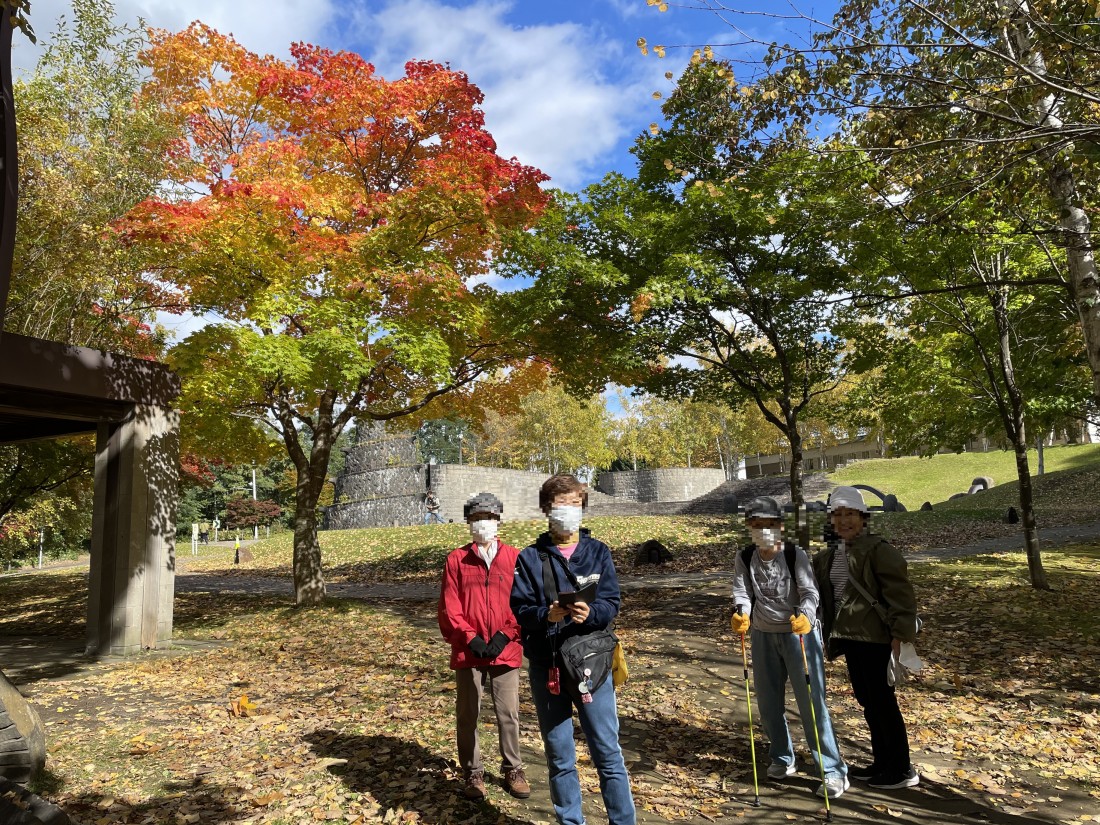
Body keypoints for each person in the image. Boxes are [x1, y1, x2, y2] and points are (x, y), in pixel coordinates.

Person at [511, 474, 635, 825]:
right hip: (547, 663)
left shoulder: (597, 552)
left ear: (583, 507)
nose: (566, 512)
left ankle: (622, 820)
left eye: (573, 504)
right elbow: (519, 609)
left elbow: (612, 602)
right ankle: (570, 820)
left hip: (592, 663)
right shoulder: (530, 558)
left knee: (607, 751)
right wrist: (544, 614)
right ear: (545, 510)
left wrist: (591, 612)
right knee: (559, 754)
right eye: (558, 505)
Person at [731, 496, 849, 799]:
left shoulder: (795, 555)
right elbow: (742, 592)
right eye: (756, 525)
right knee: (769, 706)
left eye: (768, 525)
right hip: (762, 635)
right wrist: (741, 613)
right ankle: (783, 758)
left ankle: (833, 770)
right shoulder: (745, 556)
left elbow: (811, 592)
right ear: (750, 528)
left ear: (779, 527)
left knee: (812, 705)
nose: (763, 531)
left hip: (799, 635)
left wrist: (806, 617)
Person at [812, 486, 920, 790]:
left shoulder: (878, 550)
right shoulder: (831, 554)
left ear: (863, 518)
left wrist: (901, 636)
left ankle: (901, 769)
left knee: (883, 703)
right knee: (868, 702)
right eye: (838, 515)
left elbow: (901, 596)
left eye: (850, 514)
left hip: (876, 639)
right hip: (851, 639)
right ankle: (882, 762)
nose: (844, 520)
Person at [438, 492, 530, 801]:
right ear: (468, 522)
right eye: (476, 519)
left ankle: (513, 768)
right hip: (469, 650)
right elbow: (450, 606)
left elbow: (524, 602)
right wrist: (470, 637)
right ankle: (473, 772)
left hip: (506, 649)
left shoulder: (515, 558)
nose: (483, 524)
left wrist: (506, 634)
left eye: (488, 518)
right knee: (468, 714)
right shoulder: (457, 559)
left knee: (509, 713)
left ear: (498, 521)